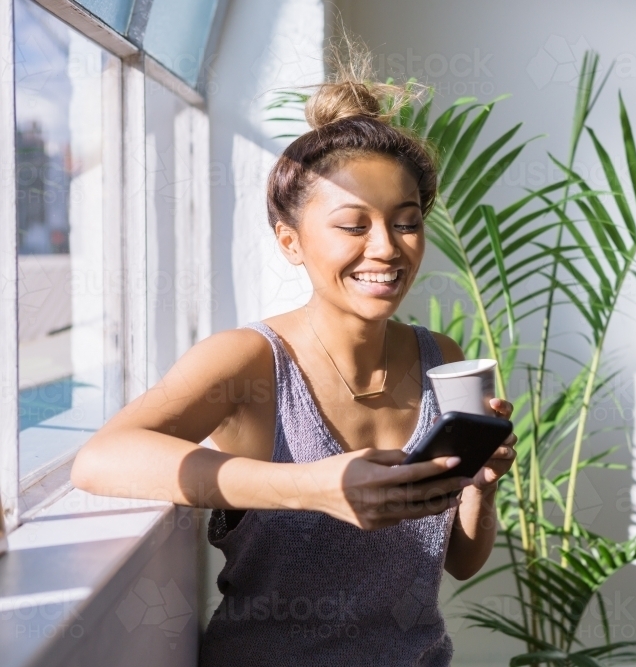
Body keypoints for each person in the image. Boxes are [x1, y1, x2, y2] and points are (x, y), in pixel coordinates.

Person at [70, 67, 516, 666]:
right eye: (353, 225)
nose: (386, 247)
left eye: (406, 222)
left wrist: (480, 488)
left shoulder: (444, 359)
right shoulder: (252, 360)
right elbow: (101, 458)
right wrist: (313, 488)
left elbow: (460, 561)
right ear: (290, 241)